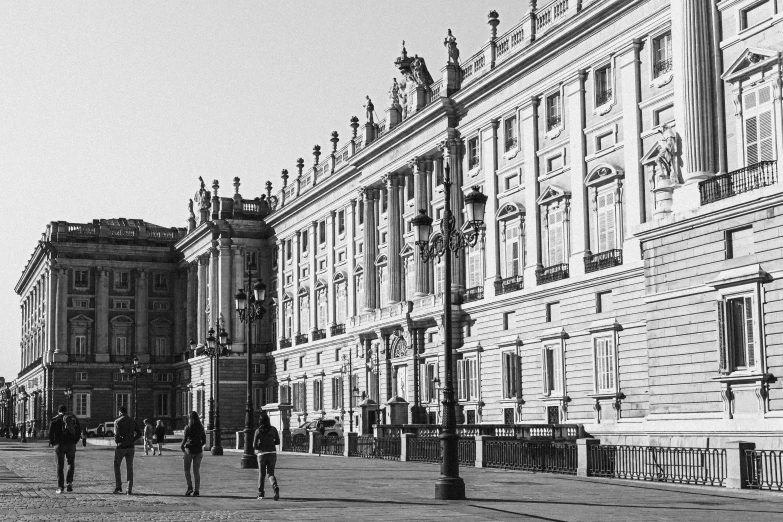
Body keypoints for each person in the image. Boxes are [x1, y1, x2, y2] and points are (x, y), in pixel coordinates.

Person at [48, 404, 81, 494]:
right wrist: (75, 441)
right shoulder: (73, 418)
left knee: (60, 466)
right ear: (66, 410)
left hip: (60, 445)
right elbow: (79, 431)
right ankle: (69, 483)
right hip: (71, 445)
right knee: (70, 463)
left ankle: (60, 487)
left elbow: (50, 434)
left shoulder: (55, 420)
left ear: (58, 411)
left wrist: (53, 443)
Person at [113, 406, 142, 495]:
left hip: (121, 447)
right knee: (130, 467)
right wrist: (132, 439)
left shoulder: (117, 422)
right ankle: (129, 489)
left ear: (120, 413)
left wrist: (118, 441)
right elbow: (139, 433)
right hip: (130, 447)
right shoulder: (132, 421)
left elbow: (116, 436)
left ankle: (118, 486)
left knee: (117, 466)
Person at [252, 411, 280, 501]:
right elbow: (278, 441)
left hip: (261, 454)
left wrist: (261, 446)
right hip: (272, 453)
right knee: (271, 473)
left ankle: (261, 493)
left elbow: (254, 445)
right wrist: (271, 442)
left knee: (261, 474)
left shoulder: (258, 431)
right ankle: (275, 486)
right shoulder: (273, 429)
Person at [180, 411, 206, 497]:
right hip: (198, 451)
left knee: (187, 470)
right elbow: (204, 441)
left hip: (189, 450)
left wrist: (183, 448)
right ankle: (197, 491)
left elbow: (184, 441)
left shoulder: (188, 427)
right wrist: (198, 446)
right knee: (196, 471)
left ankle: (189, 487)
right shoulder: (201, 427)